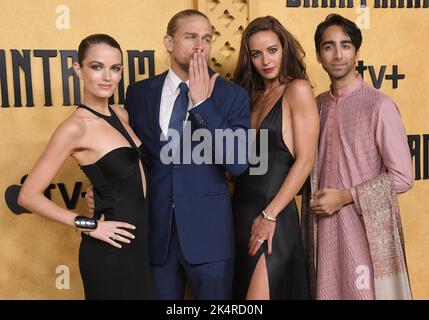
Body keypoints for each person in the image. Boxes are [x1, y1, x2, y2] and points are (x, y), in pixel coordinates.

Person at [86, 10, 250, 299]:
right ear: (169, 42)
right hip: (154, 236)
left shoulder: (231, 96)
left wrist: (202, 104)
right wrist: (101, 188)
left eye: (207, 39)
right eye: (190, 37)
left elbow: (237, 163)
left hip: (210, 240)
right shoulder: (139, 93)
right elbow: (133, 155)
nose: (200, 46)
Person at [18, 34, 157, 300]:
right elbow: (27, 196)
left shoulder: (122, 114)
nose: (107, 76)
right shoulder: (74, 128)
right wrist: (89, 224)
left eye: (115, 68)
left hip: (139, 248)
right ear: (78, 70)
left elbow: (125, 177)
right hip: (109, 253)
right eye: (96, 67)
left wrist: (99, 187)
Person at [302, 14, 413, 300]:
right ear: (318, 54)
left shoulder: (379, 105)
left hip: (364, 231)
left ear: (356, 53)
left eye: (346, 46)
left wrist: (345, 196)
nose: (338, 54)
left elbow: (403, 178)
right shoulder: (317, 107)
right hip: (323, 232)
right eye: (329, 47)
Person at [232, 16, 319, 299]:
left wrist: (269, 215)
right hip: (240, 214)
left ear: (284, 48)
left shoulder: (298, 90)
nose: (265, 60)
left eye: (272, 50)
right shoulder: (252, 96)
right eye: (256, 54)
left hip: (274, 217)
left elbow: (305, 160)